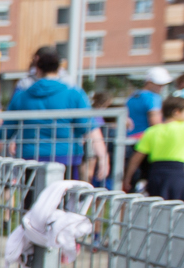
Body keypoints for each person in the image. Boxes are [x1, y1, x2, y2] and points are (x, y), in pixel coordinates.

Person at [7, 46, 109, 179]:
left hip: (31, 155)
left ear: (37, 66)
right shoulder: (73, 92)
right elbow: (90, 127)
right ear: (59, 67)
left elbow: (7, 128)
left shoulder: (23, 93)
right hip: (66, 155)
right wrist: (103, 156)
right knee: (63, 196)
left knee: (34, 197)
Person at [126, 67, 170, 141]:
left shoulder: (133, 96)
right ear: (149, 82)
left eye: (163, 84)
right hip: (146, 139)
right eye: (159, 84)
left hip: (129, 138)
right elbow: (155, 124)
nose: (161, 87)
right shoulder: (154, 97)